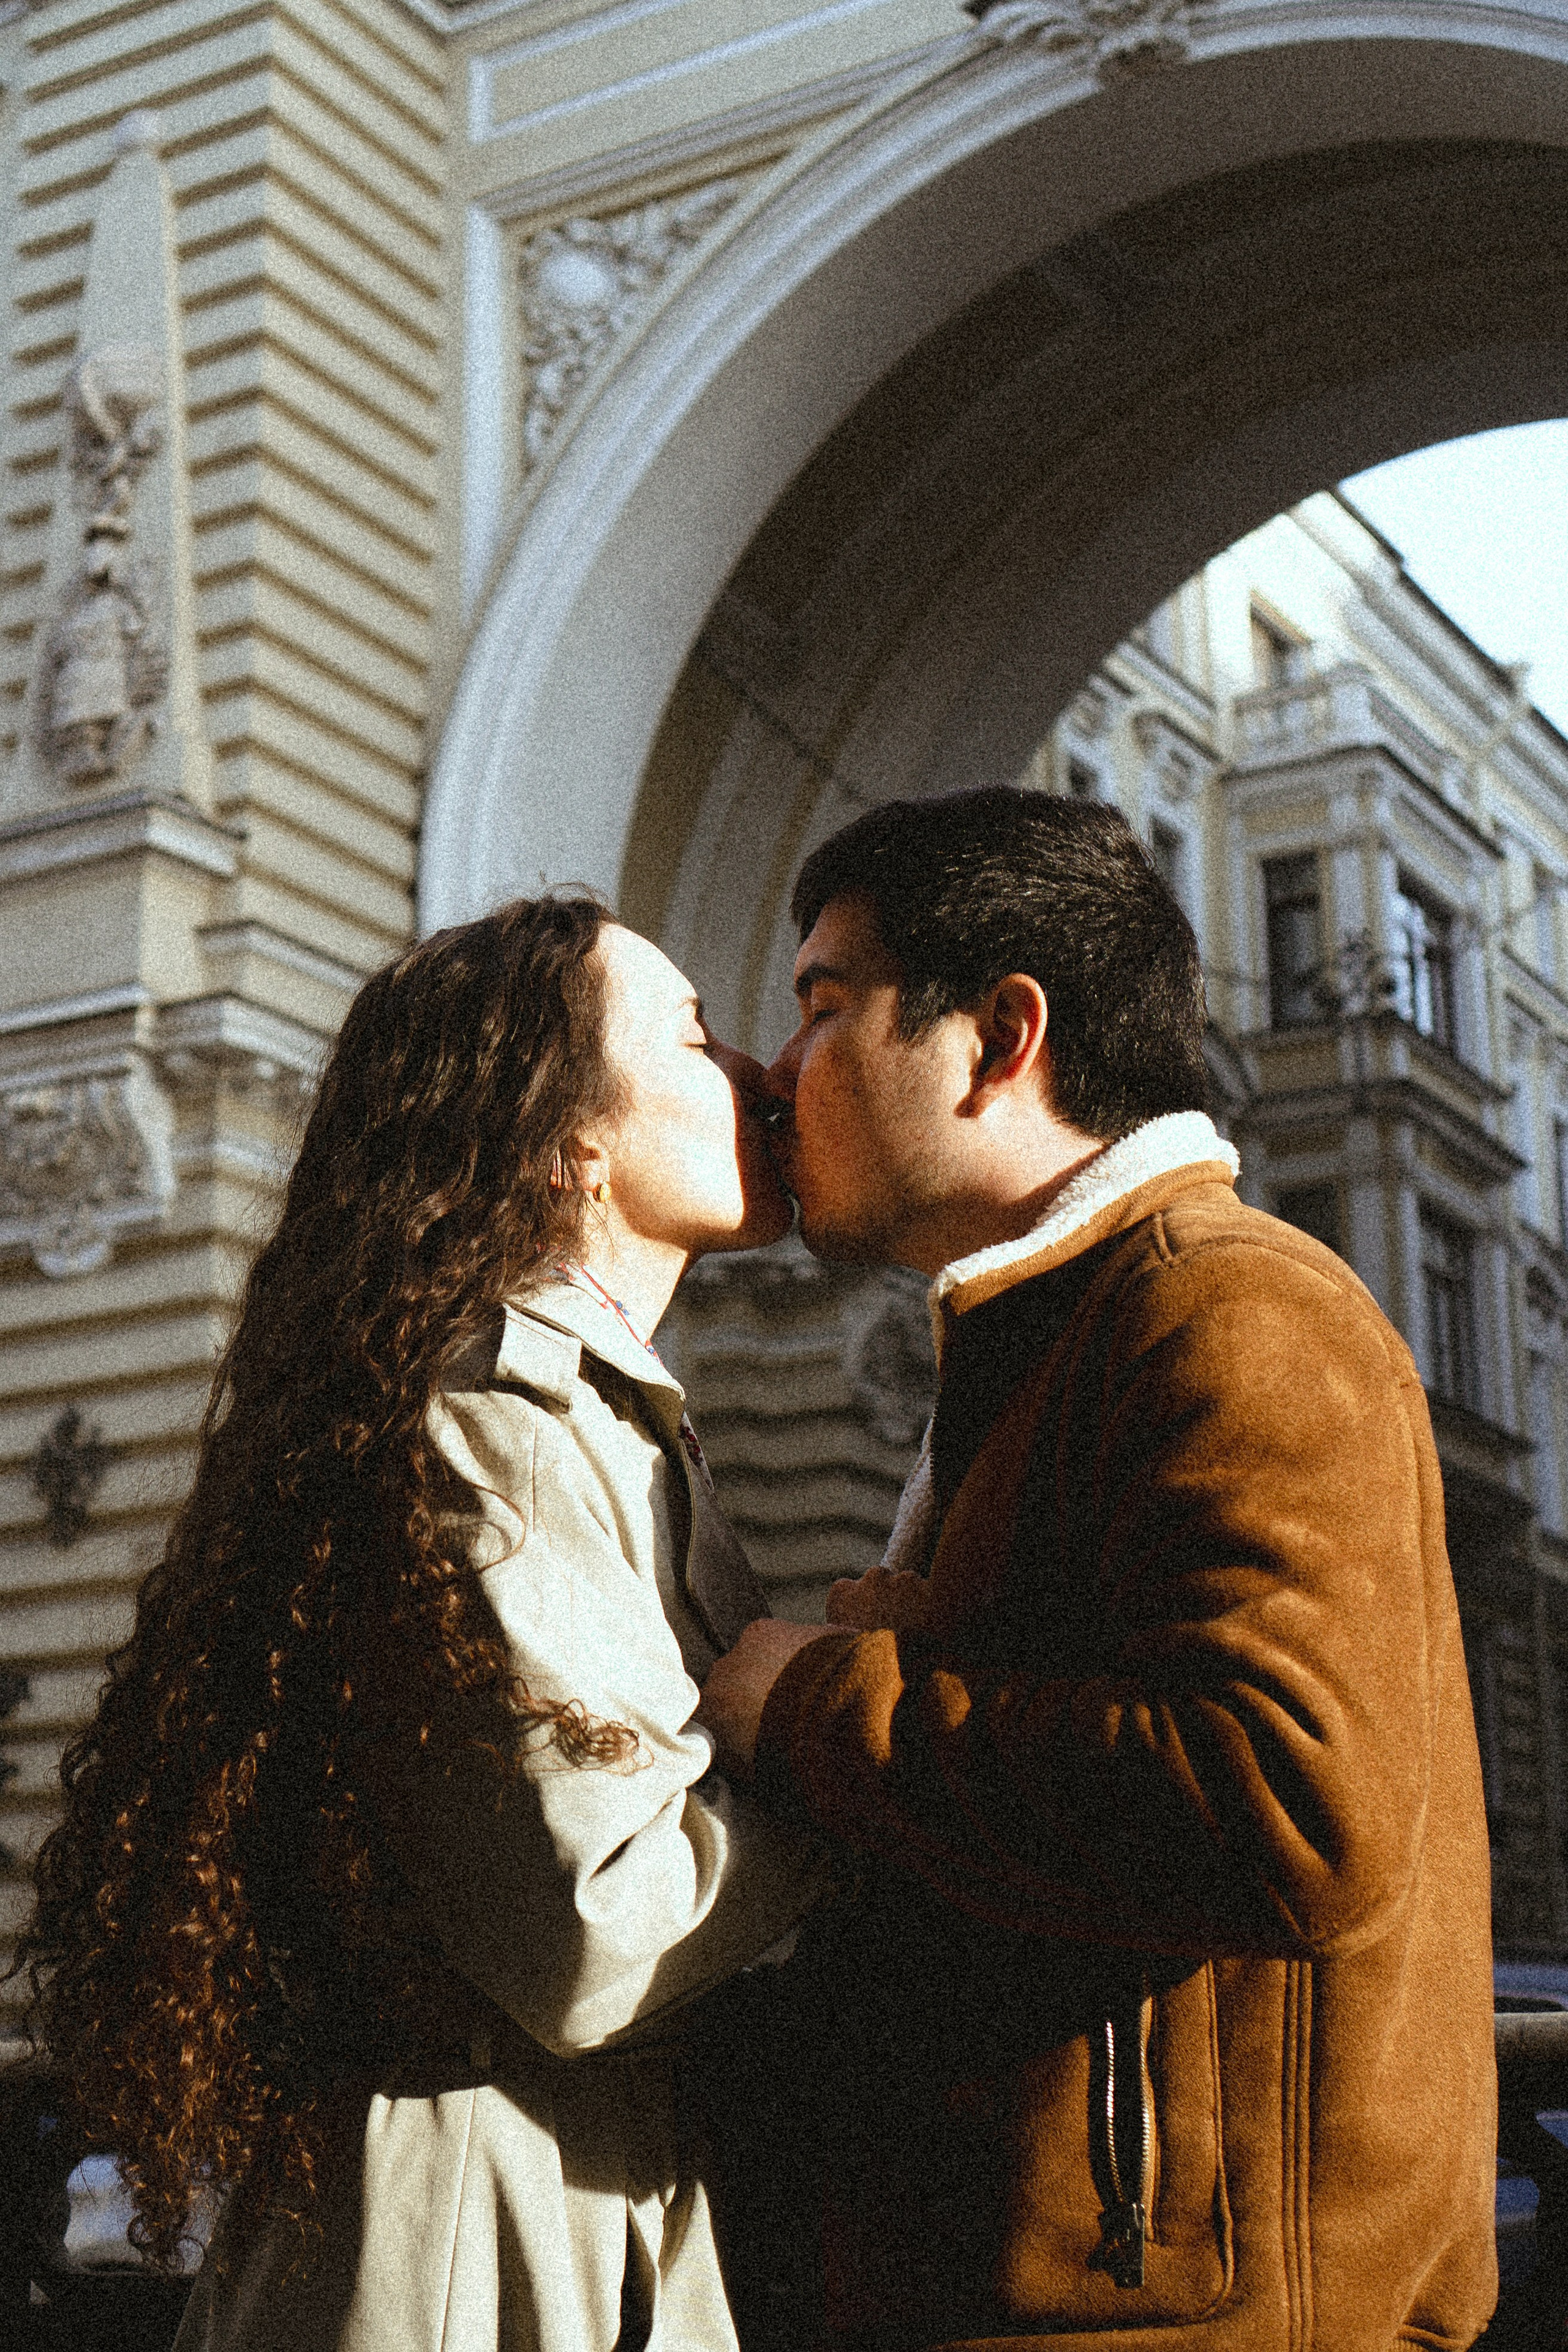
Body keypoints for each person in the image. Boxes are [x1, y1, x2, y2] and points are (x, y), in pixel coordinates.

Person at [698, 788, 1499, 2351]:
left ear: (1000, 1035)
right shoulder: (1061, 1332)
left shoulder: (1226, 1312)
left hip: (1195, 2316)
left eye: (823, 1006)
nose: (780, 1070)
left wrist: (821, 1704)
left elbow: (1284, 1803)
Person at [17, 896, 833, 2352]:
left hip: (553, 2202)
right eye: (694, 1036)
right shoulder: (492, 1415)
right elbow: (592, 1939)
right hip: (469, 2246)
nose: (760, 1071)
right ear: (572, 1138)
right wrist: (836, 1740)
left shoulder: (603, 1417)